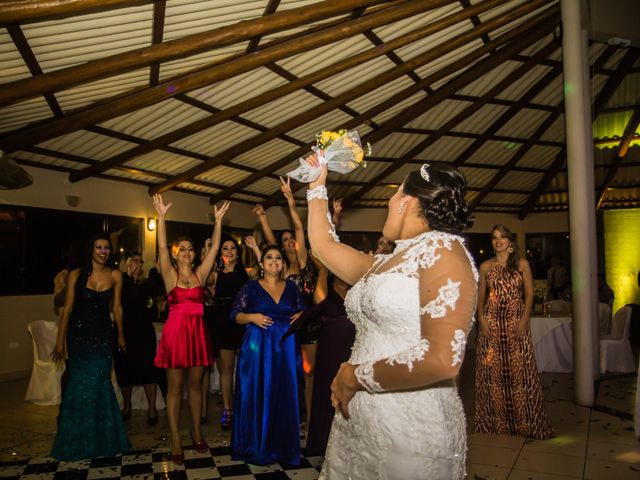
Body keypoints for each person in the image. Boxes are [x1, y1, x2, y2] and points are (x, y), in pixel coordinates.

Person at [305, 158, 478, 479]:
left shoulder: (443, 250)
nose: (389, 200)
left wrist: (353, 377)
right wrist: (317, 184)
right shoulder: (387, 262)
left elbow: (443, 359)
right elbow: (323, 246)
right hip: (359, 422)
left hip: (409, 427)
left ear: (407, 201)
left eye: (395, 193)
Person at [152, 193, 229, 464]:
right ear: (176, 253)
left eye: (190, 249)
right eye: (182, 248)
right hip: (175, 335)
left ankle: (196, 432)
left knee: (197, 388)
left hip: (197, 335)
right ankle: (175, 437)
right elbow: (161, 249)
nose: (187, 252)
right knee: (175, 389)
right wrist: (161, 218)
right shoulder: (169, 273)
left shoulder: (200, 274)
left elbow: (216, 247)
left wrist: (218, 222)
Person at [50, 234, 130, 461]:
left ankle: (103, 439)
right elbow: (66, 310)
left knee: (100, 385)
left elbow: (117, 308)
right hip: (79, 337)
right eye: (98, 247)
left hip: (104, 337)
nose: (103, 251)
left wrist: (121, 336)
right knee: (79, 386)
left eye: (106, 248)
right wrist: (59, 342)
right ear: (91, 250)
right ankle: (78, 440)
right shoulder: (76, 275)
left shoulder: (116, 275)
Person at [475, 224, 554, 439]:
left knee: (522, 373)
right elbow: (480, 297)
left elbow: (529, 294)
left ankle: (525, 423)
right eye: (494, 238)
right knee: (492, 373)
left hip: (515, 323)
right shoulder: (485, 267)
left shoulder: (522, 264)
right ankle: (494, 423)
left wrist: (524, 319)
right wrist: (481, 319)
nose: (498, 241)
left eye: (502, 237)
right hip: (492, 325)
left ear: (510, 241)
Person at [230, 245, 306, 465]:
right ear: (261, 263)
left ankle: (283, 448)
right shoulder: (250, 287)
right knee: (257, 393)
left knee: (284, 394)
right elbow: (234, 314)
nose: (274, 261)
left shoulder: (291, 287)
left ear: (283, 264)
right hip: (257, 347)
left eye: (278, 258)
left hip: (285, 346)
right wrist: (252, 317)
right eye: (269, 257)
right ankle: (256, 446)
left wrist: (301, 314)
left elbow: (304, 310)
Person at [287, 264, 354, 456]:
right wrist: (323, 270)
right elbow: (318, 302)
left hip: (353, 348)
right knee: (327, 389)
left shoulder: (357, 290)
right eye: (339, 272)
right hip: (330, 349)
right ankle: (322, 441)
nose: (344, 276)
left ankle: (347, 441)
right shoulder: (328, 290)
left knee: (349, 391)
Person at [208, 236, 250, 430]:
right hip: (223, 323)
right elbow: (199, 277)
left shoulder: (246, 274)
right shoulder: (215, 275)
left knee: (245, 368)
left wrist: (257, 248)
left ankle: (245, 407)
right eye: (225, 248)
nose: (230, 251)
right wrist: (210, 249)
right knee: (226, 368)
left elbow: (267, 270)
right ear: (220, 253)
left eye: (233, 248)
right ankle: (227, 409)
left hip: (243, 322)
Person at [114, 250, 160, 425]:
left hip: (144, 332)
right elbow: (119, 303)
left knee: (149, 371)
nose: (138, 265)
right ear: (126, 263)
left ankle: (152, 408)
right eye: (134, 261)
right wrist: (128, 277)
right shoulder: (120, 282)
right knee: (124, 370)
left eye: (140, 262)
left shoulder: (147, 284)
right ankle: (127, 405)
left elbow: (156, 300)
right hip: (124, 331)